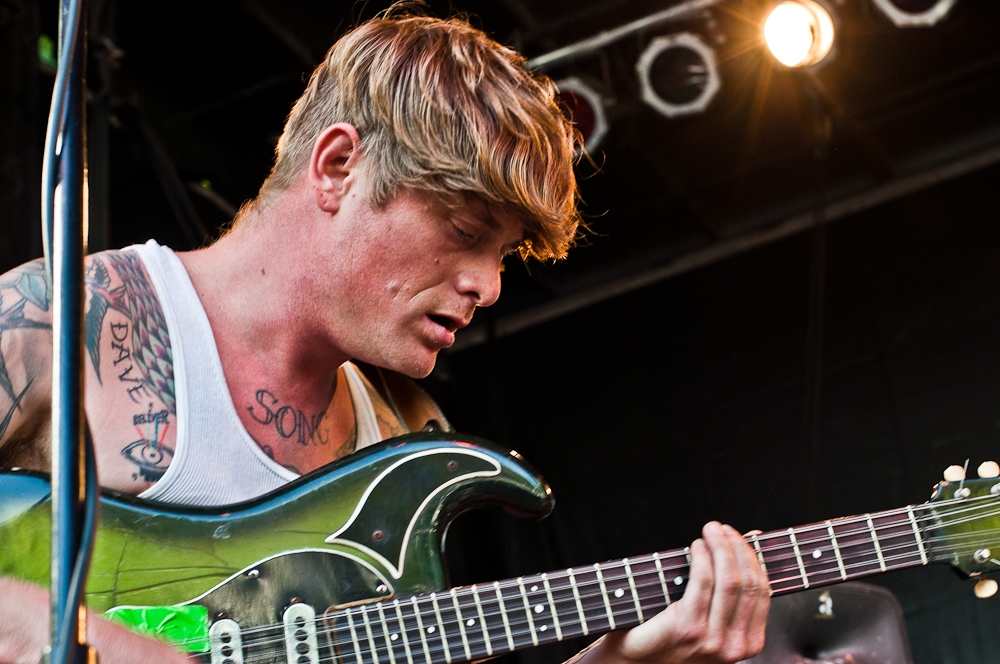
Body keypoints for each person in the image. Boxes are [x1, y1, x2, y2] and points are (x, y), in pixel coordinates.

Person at [0, 10, 769, 664]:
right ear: (337, 167)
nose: (488, 286)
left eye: (502, 257)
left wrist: (625, 659)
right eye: (465, 232)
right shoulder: (70, 321)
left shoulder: (405, 433)